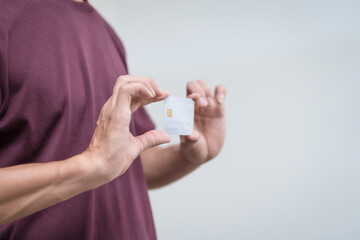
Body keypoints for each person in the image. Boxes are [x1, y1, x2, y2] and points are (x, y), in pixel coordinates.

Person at [0, 0, 227, 239]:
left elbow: (122, 164)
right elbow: (99, 165)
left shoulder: (104, 31)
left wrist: (187, 157)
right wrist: (89, 167)